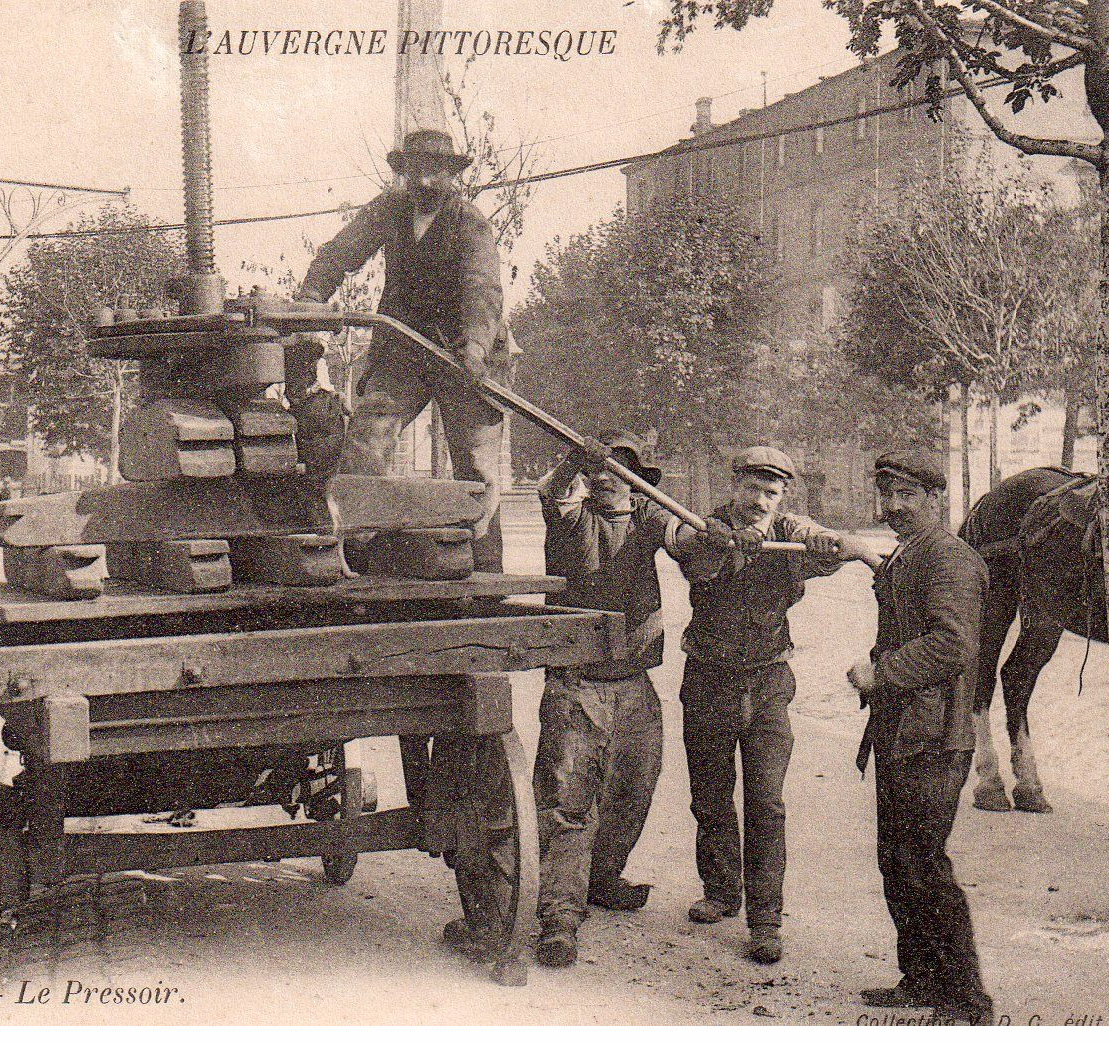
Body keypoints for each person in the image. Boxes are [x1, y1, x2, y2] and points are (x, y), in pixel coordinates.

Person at [672, 447, 875, 965]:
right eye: (750, 488)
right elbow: (690, 554)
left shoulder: (789, 532)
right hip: (709, 682)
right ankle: (721, 892)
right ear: (733, 486)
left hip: (766, 686)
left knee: (767, 803)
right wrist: (724, 545)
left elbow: (820, 542)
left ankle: (765, 919)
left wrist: (834, 541)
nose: (759, 500)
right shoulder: (707, 528)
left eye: (771, 491)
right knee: (711, 798)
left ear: (782, 495)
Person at [296, 128, 508, 572]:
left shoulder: (470, 222)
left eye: (435, 171)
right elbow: (342, 252)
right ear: (403, 173)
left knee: (476, 467)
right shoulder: (388, 210)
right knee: (367, 439)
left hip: (464, 354)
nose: (425, 181)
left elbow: (481, 287)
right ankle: (360, 557)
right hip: (406, 349)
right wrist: (312, 295)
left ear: (451, 174)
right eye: (416, 171)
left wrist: (474, 344)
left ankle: (486, 578)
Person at [846, 449, 994, 1026]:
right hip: (903, 730)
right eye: (887, 495)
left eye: (908, 495)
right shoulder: (914, 553)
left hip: (936, 735)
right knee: (898, 861)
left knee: (924, 862)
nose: (895, 507)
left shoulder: (950, 558)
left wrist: (880, 673)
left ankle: (967, 1000)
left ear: (936, 500)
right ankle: (922, 978)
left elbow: (951, 643)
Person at [527, 431, 676, 968]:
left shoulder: (649, 519)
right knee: (567, 806)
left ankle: (601, 878)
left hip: (635, 681)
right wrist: (574, 461)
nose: (612, 473)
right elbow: (556, 490)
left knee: (633, 792)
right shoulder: (570, 515)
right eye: (605, 465)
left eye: (625, 466)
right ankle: (559, 919)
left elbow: (685, 539)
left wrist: (717, 539)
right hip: (576, 684)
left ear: (641, 479)